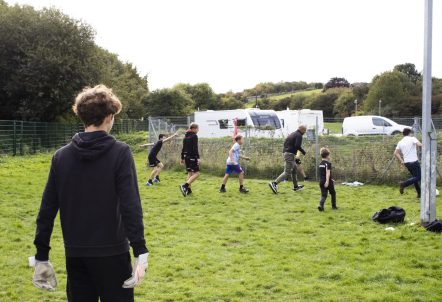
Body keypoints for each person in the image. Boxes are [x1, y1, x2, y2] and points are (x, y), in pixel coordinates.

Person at [32, 85, 149, 302]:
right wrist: (140, 252)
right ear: (109, 116)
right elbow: (131, 205)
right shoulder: (120, 153)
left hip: (77, 255)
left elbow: (46, 210)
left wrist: (41, 256)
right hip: (112, 255)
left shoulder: (60, 157)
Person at [269, 125, 307, 194]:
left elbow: (285, 143)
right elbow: (297, 146)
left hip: (287, 153)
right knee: (287, 172)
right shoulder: (299, 135)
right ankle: (274, 183)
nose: (305, 132)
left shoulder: (293, 134)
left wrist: (287, 151)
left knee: (294, 169)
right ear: (302, 130)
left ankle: (296, 186)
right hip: (290, 154)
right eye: (305, 130)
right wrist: (303, 151)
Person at [394, 128, 422, 198]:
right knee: (418, 177)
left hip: (406, 162)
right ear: (409, 133)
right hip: (414, 161)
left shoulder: (400, 142)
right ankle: (404, 184)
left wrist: (401, 160)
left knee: (414, 177)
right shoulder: (412, 138)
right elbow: (420, 145)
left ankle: (419, 194)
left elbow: (396, 153)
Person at [179, 123, 200, 197]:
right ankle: (185, 186)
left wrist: (182, 158)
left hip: (186, 157)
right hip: (192, 157)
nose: (198, 130)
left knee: (190, 173)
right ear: (193, 128)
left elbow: (183, 148)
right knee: (197, 173)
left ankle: (188, 190)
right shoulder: (194, 136)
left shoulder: (185, 136)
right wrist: (198, 158)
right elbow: (195, 148)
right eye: (197, 128)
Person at [317, 147, 337, 212]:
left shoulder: (320, 164)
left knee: (324, 195)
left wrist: (330, 179)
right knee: (333, 193)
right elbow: (327, 173)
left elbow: (322, 173)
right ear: (327, 155)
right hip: (327, 181)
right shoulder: (328, 164)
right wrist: (328, 181)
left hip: (321, 181)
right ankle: (334, 206)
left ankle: (321, 205)